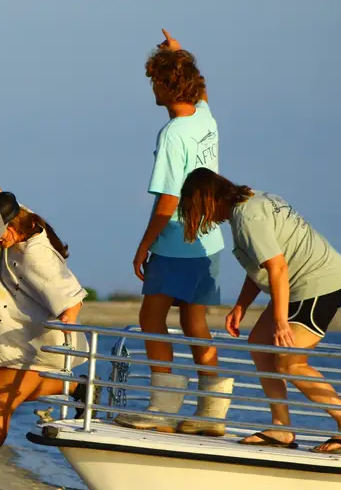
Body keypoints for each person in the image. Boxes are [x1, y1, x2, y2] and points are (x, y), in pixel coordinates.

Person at [178, 168, 341, 453]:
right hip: (297, 284)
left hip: (318, 283)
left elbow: (277, 267)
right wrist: (241, 306)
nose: (202, 218)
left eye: (196, 208)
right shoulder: (251, 200)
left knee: (291, 363)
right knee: (260, 345)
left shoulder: (247, 217)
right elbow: (263, 264)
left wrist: (280, 322)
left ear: (207, 199)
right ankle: (281, 427)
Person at [0, 143, 91, 490]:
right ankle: (78, 389)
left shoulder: (34, 256)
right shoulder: (18, 215)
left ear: (13, 223)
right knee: (7, 401)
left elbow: (72, 296)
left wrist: (70, 320)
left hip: (34, 339)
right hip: (19, 336)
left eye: (0, 234)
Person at [115, 30, 234, 435]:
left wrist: (143, 246)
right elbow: (200, 92)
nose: (152, 86)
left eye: (156, 80)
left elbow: (167, 202)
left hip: (178, 239)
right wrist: (177, 53)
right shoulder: (206, 116)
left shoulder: (172, 135)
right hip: (209, 238)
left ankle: (162, 409)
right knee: (194, 323)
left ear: (169, 85)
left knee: (151, 316)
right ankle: (212, 413)